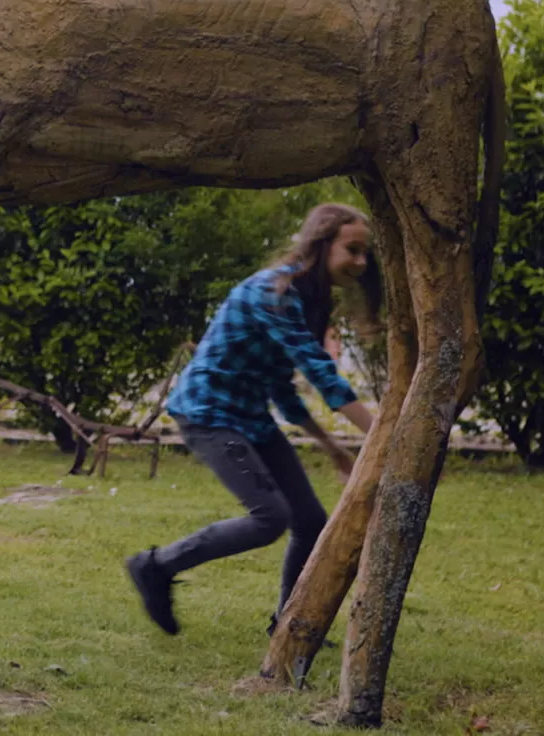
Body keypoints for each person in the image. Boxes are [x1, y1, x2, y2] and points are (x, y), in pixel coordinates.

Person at [125, 203, 378, 636]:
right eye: (352, 250)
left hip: (250, 417)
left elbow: (282, 387)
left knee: (309, 520)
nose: (361, 262)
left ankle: (288, 626)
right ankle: (156, 565)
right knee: (269, 517)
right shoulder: (274, 293)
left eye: (364, 252)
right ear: (322, 244)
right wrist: (382, 435)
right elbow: (322, 375)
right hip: (208, 413)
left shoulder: (308, 301)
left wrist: (333, 448)